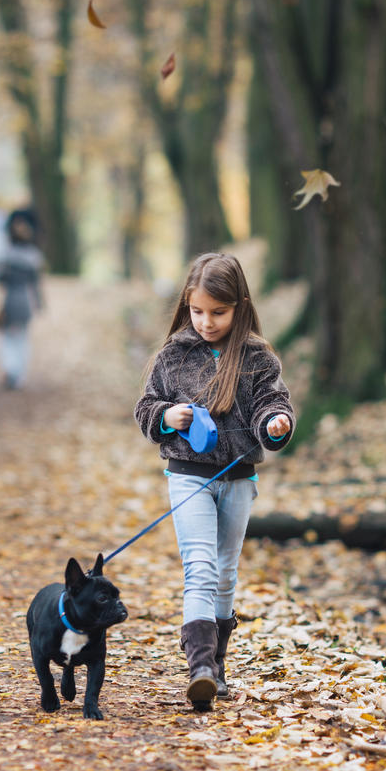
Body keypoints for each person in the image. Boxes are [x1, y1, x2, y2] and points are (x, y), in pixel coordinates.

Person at [133, 252, 295, 711]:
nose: (206, 321)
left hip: (239, 479)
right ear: (186, 304)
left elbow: (272, 404)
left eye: (218, 313)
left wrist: (277, 424)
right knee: (199, 567)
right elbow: (146, 410)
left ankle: (218, 667)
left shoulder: (259, 357)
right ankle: (200, 668)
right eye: (197, 311)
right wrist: (167, 415)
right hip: (187, 478)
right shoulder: (173, 355)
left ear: (240, 306)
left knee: (225, 574)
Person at [0, 208, 43, 389]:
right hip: (26, 301)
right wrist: (40, 305)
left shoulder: (6, 255)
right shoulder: (34, 256)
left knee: (8, 337)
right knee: (23, 337)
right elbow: (36, 284)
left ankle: (11, 369)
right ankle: (19, 373)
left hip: (10, 299)